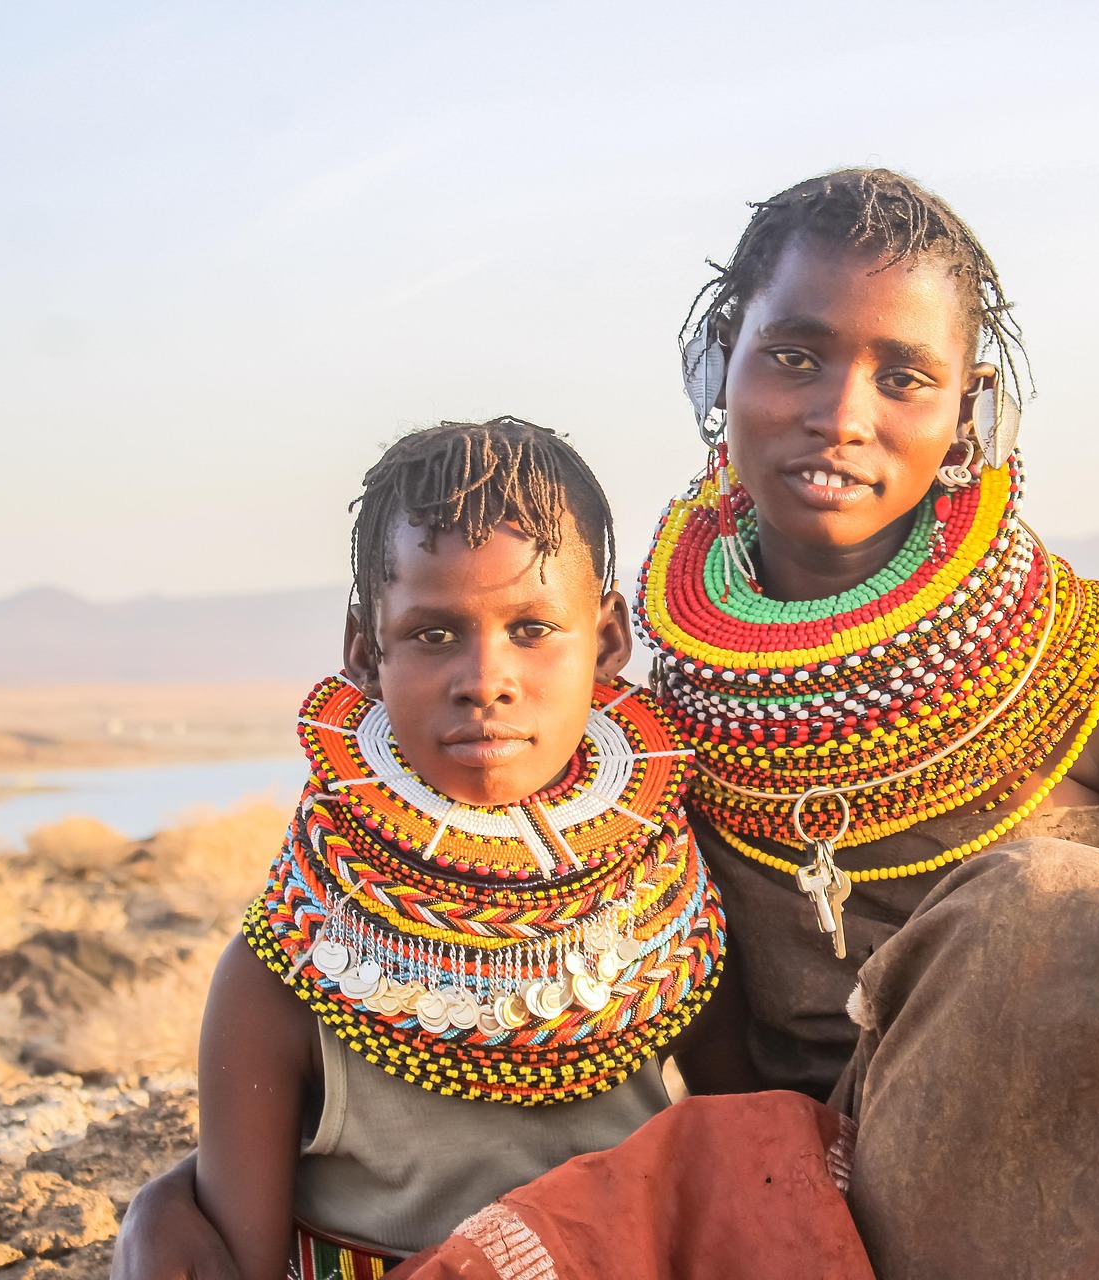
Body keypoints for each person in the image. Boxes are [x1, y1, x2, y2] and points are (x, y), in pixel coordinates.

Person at [120, 174, 1099, 1279]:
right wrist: (187, 1202)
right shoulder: (631, 715)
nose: (841, 413)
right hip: (785, 1214)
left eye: (904, 375)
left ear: (966, 412)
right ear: (717, 369)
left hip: (1067, 1189)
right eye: (796, 355)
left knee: (1033, 906)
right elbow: (433, 936)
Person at [190, 419, 730, 1280]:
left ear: (611, 641)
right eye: (435, 634)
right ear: (366, 653)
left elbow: (743, 1180)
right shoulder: (277, 982)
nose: (486, 679)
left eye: (533, 628)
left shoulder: (679, 940)